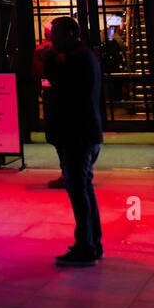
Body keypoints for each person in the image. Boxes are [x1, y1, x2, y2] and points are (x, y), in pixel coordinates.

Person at [46, 16, 104, 267]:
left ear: (71, 34)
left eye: (55, 34)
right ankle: (92, 242)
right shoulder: (83, 58)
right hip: (83, 134)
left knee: (79, 192)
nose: (51, 40)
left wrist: (50, 62)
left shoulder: (77, 60)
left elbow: (65, 89)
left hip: (77, 136)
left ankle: (85, 246)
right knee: (84, 190)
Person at [33, 22, 65, 187]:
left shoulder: (42, 51)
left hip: (51, 95)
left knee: (57, 134)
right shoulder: (68, 52)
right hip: (63, 96)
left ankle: (67, 172)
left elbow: (39, 74)